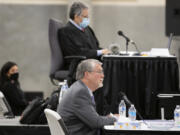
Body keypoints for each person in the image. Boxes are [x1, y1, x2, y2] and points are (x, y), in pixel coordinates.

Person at [57, 59, 117, 135]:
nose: (103, 75)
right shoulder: (80, 92)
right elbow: (96, 122)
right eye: (99, 72)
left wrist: (108, 118)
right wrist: (116, 119)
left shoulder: (79, 87)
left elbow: (93, 119)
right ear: (87, 74)